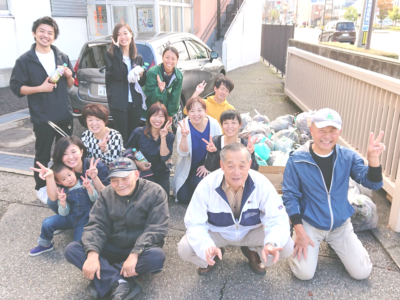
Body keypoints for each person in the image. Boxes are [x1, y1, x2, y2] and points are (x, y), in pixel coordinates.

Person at [282, 108, 385, 280]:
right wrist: (300, 232)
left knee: (362, 272)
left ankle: (337, 245)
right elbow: (290, 196)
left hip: (340, 226)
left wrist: (373, 159)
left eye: (332, 131)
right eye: (322, 130)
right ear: (312, 128)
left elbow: (372, 183)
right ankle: (298, 246)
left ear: (340, 132)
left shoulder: (347, 157)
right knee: (304, 274)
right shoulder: (297, 159)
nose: (327, 136)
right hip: (311, 225)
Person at [177, 143, 293, 275]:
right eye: (231, 166)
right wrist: (206, 246)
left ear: (249, 164)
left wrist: (271, 243)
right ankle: (211, 256)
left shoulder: (262, 183)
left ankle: (254, 251)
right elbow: (195, 222)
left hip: (251, 232)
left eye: (242, 166)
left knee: (286, 246)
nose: (236, 172)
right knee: (185, 249)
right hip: (219, 232)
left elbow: (278, 219)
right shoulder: (206, 185)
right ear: (222, 165)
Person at [64, 157, 169, 300]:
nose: (120, 184)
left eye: (125, 178)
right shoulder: (106, 193)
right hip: (112, 246)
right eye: (114, 180)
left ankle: (104, 279)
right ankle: (120, 281)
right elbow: (96, 225)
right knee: (72, 249)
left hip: (139, 249)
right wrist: (93, 254)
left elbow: (156, 228)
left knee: (157, 257)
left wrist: (135, 253)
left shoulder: (155, 192)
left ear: (137, 175)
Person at [9, 17, 75, 203]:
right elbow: (16, 88)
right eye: (42, 31)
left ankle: (65, 185)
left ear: (54, 37)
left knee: (67, 154)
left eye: (50, 33)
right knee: (43, 154)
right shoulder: (25, 60)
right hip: (43, 117)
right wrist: (40, 88)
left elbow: (69, 85)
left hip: (64, 114)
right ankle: (41, 188)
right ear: (34, 33)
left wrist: (70, 76)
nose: (46, 35)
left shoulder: (62, 57)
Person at [29, 163, 99, 256]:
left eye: (69, 175)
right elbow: (63, 213)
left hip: (85, 219)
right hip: (70, 218)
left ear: (73, 172)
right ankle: (45, 245)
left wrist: (89, 188)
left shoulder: (85, 182)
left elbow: (95, 199)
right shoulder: (63, 191)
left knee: (77, 244)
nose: (69, 179)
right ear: (59, 182)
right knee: (47, 223)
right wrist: (62, 202)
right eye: (63, 179)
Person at [174, 97, 222, 204]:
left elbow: (220, 151)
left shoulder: (213, 124)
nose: (196, 114)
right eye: (192, 111)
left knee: (198, 183)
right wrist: (184, 136)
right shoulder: (183, 126)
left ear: (206, 111)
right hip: (188, 167)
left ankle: (208, 196)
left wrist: (207, 165)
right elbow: (183, 153)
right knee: (183, 197)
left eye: (200, 110)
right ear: (187, 113)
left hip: (206, 166)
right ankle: (202, 192)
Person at [46, 136, 110, 215]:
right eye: (64, 154)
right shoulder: (61, 170)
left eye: (73, 152)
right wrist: (49, 177)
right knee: (51, 202)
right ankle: (70, 219)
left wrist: (95, 178)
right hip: (74, 208)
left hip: (96, 206)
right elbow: (53, 198)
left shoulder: (95, 166)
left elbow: (108, 195)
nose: (70, 157)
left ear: (81, 152)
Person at [106, 22, 147, 144]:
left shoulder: (137, 57)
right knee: (122, 137)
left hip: (135, 103)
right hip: (119, 104)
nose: (123, 37)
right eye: (119, 35)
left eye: (125, 33)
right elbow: (118, 75)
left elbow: (142, 82)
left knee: (133, 135)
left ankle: (131, 161)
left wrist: (141, 74)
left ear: (131, 35)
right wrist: (118, 51)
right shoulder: (111, 56)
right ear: (115, 38)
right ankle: (122, 162)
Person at [123, 102, 174, 195]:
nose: (157, 119)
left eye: (161, 116)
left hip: (161, 173)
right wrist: (138, 163)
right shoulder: (139, 132)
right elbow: (128, 150)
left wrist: (163, 137)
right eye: (154, 115)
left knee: (162, 199)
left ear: (165, 119)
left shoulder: (169, 136)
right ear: (149, 117)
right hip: (142, 172)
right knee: (146, 199)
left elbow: (164, 158)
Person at [143, 46, 183, 123]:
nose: (169, 61)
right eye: (167, 57)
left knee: (166, 132)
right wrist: (159, 90)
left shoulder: (178, 75)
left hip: (166, 108)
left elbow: (175, 96)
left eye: (173, 59)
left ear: (177, 60)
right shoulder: (153, 72)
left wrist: (170, 114)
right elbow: (151, 97)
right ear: (162, 57)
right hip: (151, 109)